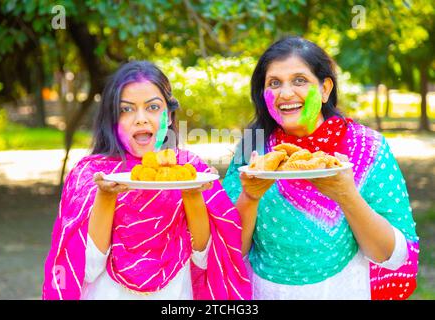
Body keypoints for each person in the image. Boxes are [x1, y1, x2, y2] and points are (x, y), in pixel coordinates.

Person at [222, 36, 419, 300]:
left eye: (300, 80)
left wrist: (346, 195)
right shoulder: (253, 153)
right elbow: (230, 250)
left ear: (325, 89)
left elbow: (391, 255)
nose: (286, 93)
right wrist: (250, 197)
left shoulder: (366, 149)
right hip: (266, 292)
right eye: (274, 83)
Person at [42, 60, 251, 300]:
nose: (141, 119)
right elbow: (87, 270)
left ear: (170, 116)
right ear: (112, 120)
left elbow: (205, 259)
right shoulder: (90, 175)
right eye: (126, 109)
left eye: (153, 107)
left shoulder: (190, 169)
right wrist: (106, 195)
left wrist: (192, 192)